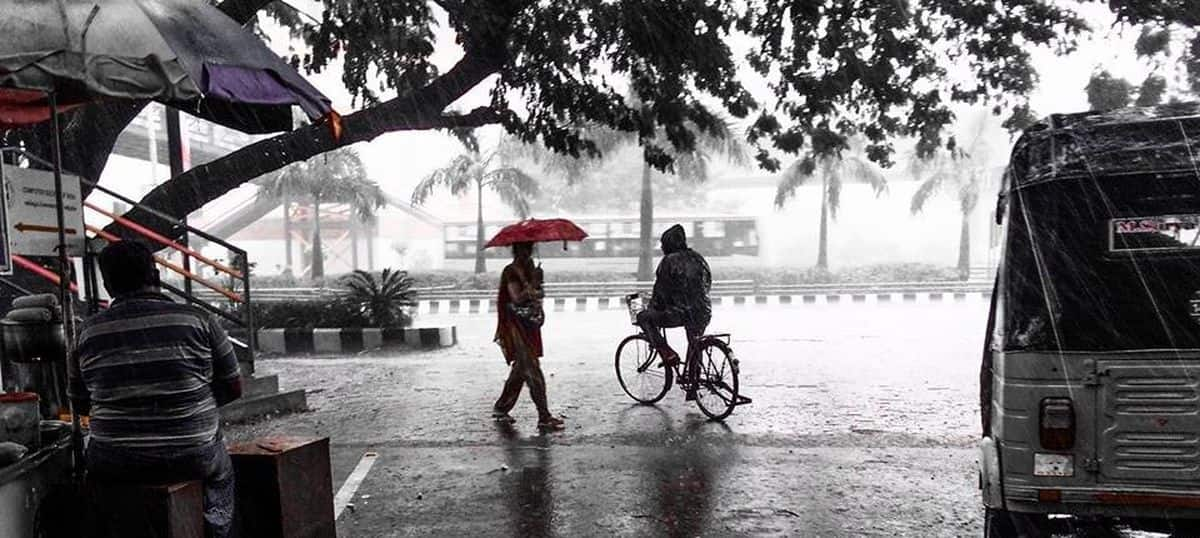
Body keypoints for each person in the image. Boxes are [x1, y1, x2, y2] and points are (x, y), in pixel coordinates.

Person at [68, 241, 243, 538]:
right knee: (222, 475)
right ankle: (216, 529)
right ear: (157, 276)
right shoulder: (199, 319)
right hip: (192, 454)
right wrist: (191, 405)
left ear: (108, 285)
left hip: (115, 460)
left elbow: (80, 405)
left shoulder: (87, 331)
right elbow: (234, 386)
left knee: (96, 488)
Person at [492, 242, 565, 432]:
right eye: (523, 250)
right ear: (517, 251)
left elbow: (539, 294)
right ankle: (544, 416)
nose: (527, 254)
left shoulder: (532, 269)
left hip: (530, 323)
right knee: (532, 368)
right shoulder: (511, 271)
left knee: (521, 369)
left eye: (529, 250)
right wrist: (532, 285)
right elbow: (516, 298)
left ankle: (501, 407)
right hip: (515, 326)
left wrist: (538, 283)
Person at [637, 224, 712, 397]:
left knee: (644, 317)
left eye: (663, 244)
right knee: (695, 344)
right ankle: (692, 386)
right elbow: (707, 282)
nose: (662, 248)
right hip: (703, 311)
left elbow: (661, 291)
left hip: (680, 313)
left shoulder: (668, 261)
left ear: (668, 244)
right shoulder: (698, 258)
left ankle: (667, 353)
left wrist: (654, 308)